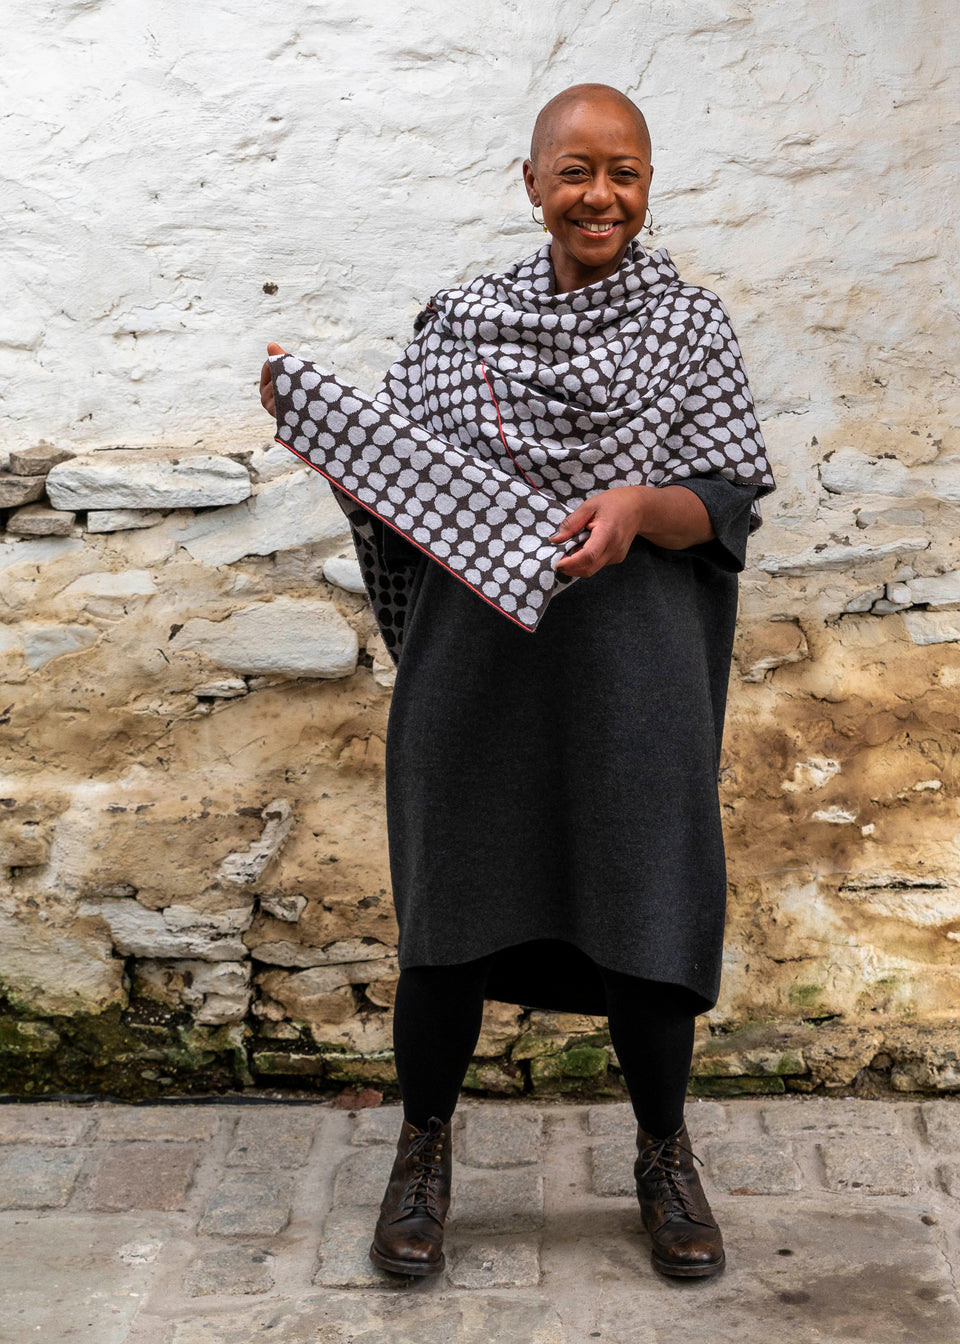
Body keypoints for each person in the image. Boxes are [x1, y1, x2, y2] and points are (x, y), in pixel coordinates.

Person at [259, 82, 776, 1281]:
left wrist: (644, 507)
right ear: (532, 182)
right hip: (478, 671)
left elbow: (729, 505)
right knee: (450, 919)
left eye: (626, 173)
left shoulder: (691, 329)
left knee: (646, 906)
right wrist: (322, 417)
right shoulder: (458, 322)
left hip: (634, 674)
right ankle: (423, 1152)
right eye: (578, 170)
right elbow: (404, 486)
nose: (601, 195)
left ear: (649, 185)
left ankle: (662, 1154)